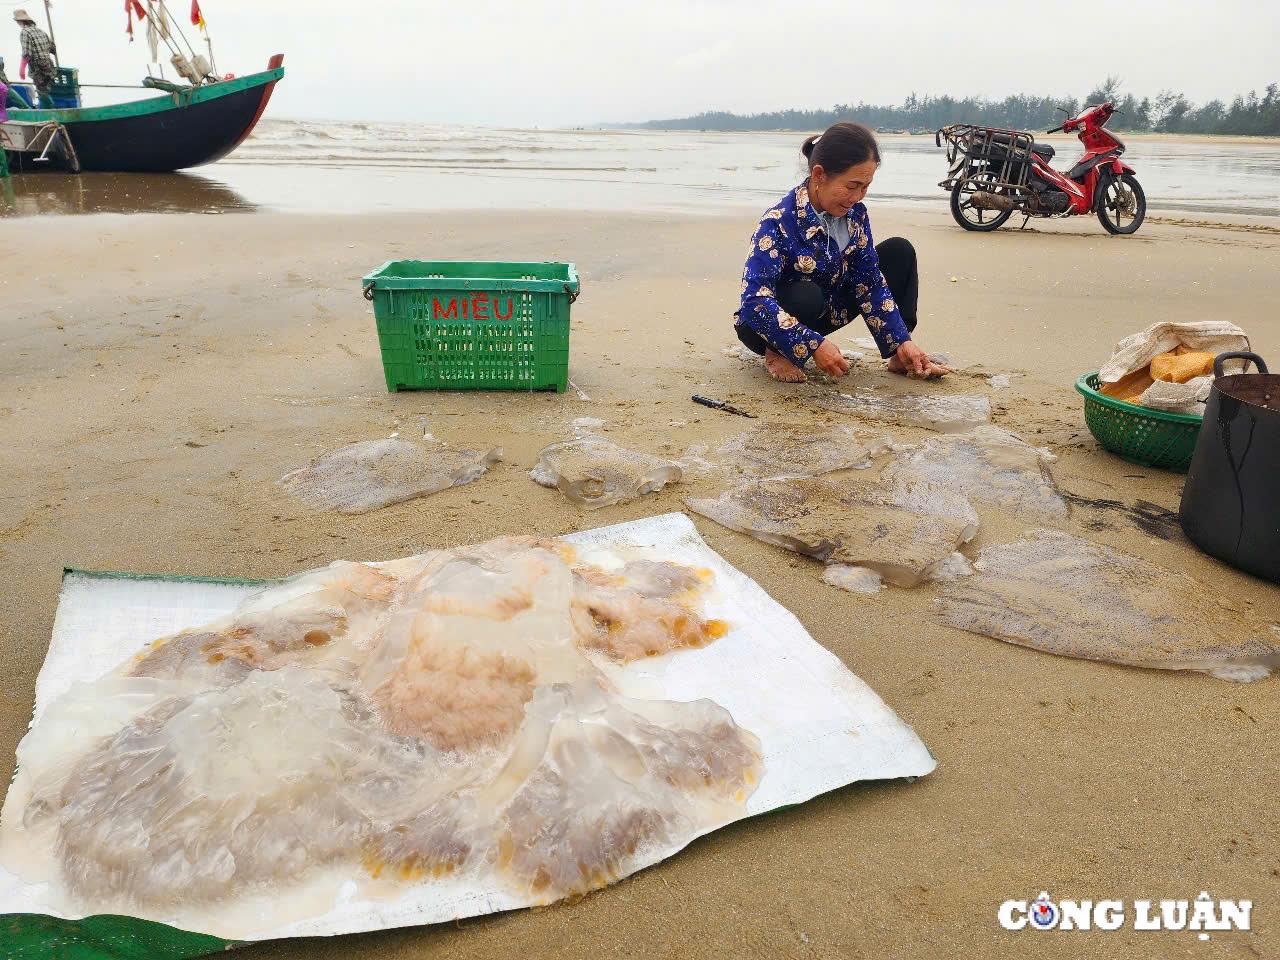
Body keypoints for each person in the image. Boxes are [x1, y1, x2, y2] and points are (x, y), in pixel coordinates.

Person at [734, 121, 951, 383]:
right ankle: (777, 352)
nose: (858, 196)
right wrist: (814, 344)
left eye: (865, 186)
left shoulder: (855, 217)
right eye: (852, 186)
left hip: (827, 310)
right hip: (765, 324)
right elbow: (753, 301)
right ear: (819, 175)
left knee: (898, 251)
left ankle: (900, 355)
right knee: (806, 293)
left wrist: (902, 340)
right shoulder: (777, 223)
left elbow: (868, 282)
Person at [13, 9, 56, 109]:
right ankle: (48, 109)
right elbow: (53, 49)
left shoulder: (25, 32)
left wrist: (22, 69)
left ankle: (50, 112)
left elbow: (27, 53)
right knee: (46, 89)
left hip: (37, 65)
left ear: (20, 21)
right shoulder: (41, 31)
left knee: (41, 91)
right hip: (49, 64)